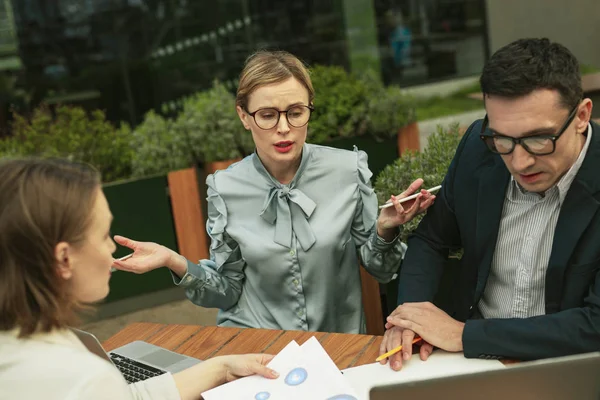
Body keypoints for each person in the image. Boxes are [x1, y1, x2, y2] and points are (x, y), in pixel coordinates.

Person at [112, 50, 435, 333]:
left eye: (295, 112)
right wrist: (174, 261)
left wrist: (386, 229)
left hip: (337, 344)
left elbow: (381, 268)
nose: (283, 128)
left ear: (309, 109)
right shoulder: (224, 188)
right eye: (267, 115)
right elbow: (226, 290)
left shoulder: (348, 170)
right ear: (244, 116)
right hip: (256, 345)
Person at [380, 38, 600, 369]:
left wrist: (464, 335)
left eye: (539, 139)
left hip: (567, 367)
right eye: (503, 139)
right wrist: (413, 316)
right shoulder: (477, 146)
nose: (520, 161)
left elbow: (594, 325)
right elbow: (432, 238)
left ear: (581, 116)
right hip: (468, 363)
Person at [0, 158, 279, 400]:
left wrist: (220, 368)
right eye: (103, 235)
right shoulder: (86, 379)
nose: (111, 247)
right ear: (64, 259)